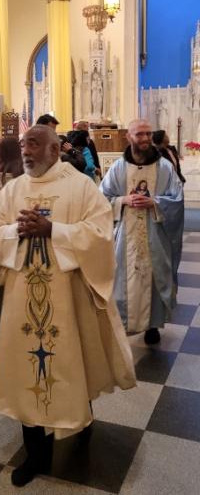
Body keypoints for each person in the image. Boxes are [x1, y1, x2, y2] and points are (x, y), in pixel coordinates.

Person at [0, 125, 136, 487]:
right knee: (26, 371)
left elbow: (100, 233)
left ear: (54, 149)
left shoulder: (79, 185)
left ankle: (82, 426)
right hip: (24, 304)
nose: (26, 151)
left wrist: (54, 231)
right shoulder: (14, 189)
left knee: (72, 359)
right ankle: (35, 454)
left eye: (33, 144)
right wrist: (14, 232)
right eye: (22, 145)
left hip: (69, 298)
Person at [100, 119, 184, 344]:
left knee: (155, 277)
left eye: (148, 134)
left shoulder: (164, 167)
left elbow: (177, 199)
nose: (145, 138)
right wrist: (123, 200)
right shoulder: (118, 167)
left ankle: (152, 326)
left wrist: (155, 203)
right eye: (139, 134)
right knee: (123, 279)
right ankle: (124, 322)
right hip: (125, 234)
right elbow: (101, 198)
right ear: (129, 137)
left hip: (155, 235)